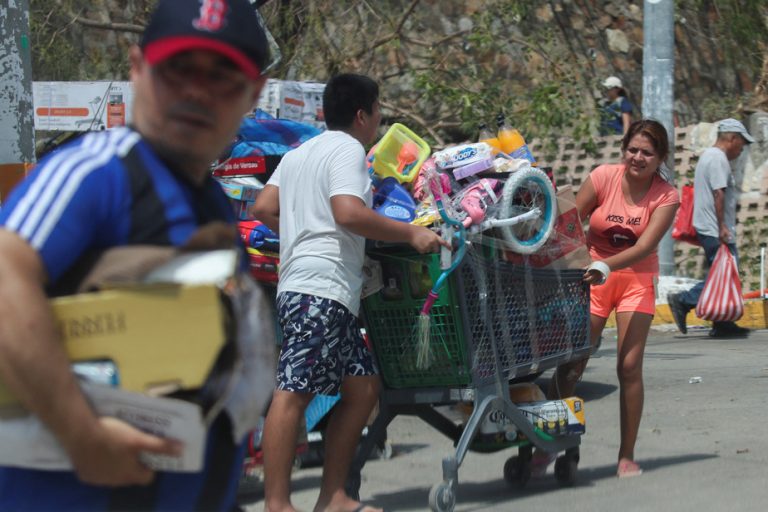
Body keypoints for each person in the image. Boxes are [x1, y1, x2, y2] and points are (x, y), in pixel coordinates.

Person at [0, 0, 272, 509]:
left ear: (252, 94)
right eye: (177, 69)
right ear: (138, 68)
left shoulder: (211, 202)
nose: (197, 91)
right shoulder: (96, 172)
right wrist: (81, 433)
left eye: (223, 77)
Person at [252, 73, 448, 512]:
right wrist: (409, 234)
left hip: (320, 288)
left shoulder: (300, 153)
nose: (378, 120)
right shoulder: (347, 149)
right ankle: (277, 505)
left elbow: (263, 207)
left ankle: (334, 497)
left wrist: (300, 233)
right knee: (294, 391)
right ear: (362, 114)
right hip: (318, 289)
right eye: (377, 111)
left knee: (362, 387)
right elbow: (349, 213)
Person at [533, 120, 679, 478]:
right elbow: (568, 222)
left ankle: (626, 455)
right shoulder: (602, 177)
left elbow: (645, 246)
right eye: (633, 149)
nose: (638, 158)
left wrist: (605, 265)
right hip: (592, 276)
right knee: (571, 365)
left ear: (660, 157)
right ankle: (555, 444)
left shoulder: (667, 196)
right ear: (624, 148)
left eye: (647, 152)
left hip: (635, 278)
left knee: (628, 367)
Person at [667, 118, 754, 338]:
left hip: (710, 227)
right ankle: (684, 300)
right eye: (741, 144)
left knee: (720, 274)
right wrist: (722, 227)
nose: (741, 149)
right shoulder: (718, 159)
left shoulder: (709, 156)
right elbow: (719, 193)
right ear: (731, 138)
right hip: (716, 229)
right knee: (725, 275)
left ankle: (722, 324)